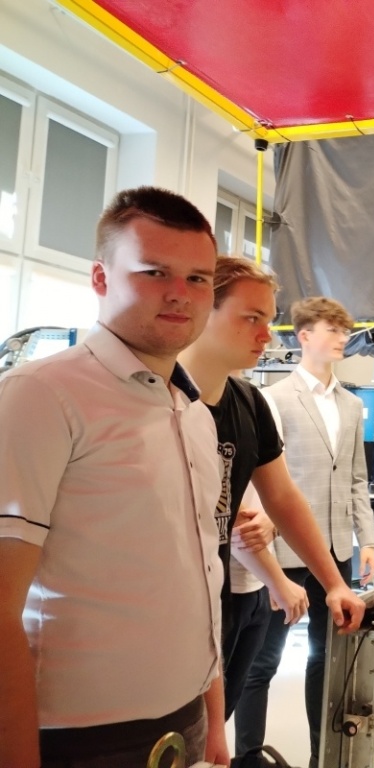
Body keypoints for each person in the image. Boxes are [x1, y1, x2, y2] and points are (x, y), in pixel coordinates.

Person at [0, 186, 223, 768]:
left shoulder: (192, 413)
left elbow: (199, 569)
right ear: (100, 278)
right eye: (154, 272)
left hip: (185, 719)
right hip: (81, 738)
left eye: (198, 279)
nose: (180, 294)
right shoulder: (42, 396)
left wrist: (212, 719)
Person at [177, 257, 370, 730]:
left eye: (268, 319)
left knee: (213, 722)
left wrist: (335, 581)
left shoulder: (250, 404)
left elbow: (282, 497)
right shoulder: (163, 402)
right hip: (184, 602)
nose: (266, 336)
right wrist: (278, 578)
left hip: (235, 591)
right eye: (252, 318)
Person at [234, 296, 374, 767]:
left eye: (344, 331)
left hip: (335, 550)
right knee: (263, 661)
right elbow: (266, 483)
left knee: (326, 659)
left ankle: (323, 755)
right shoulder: (273, 399)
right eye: (332, 330)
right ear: (304, 336)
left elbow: (356, 478)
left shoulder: (352, 405)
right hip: (284, 550)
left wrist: (367, 540)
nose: (341, 339)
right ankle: (248, 756)